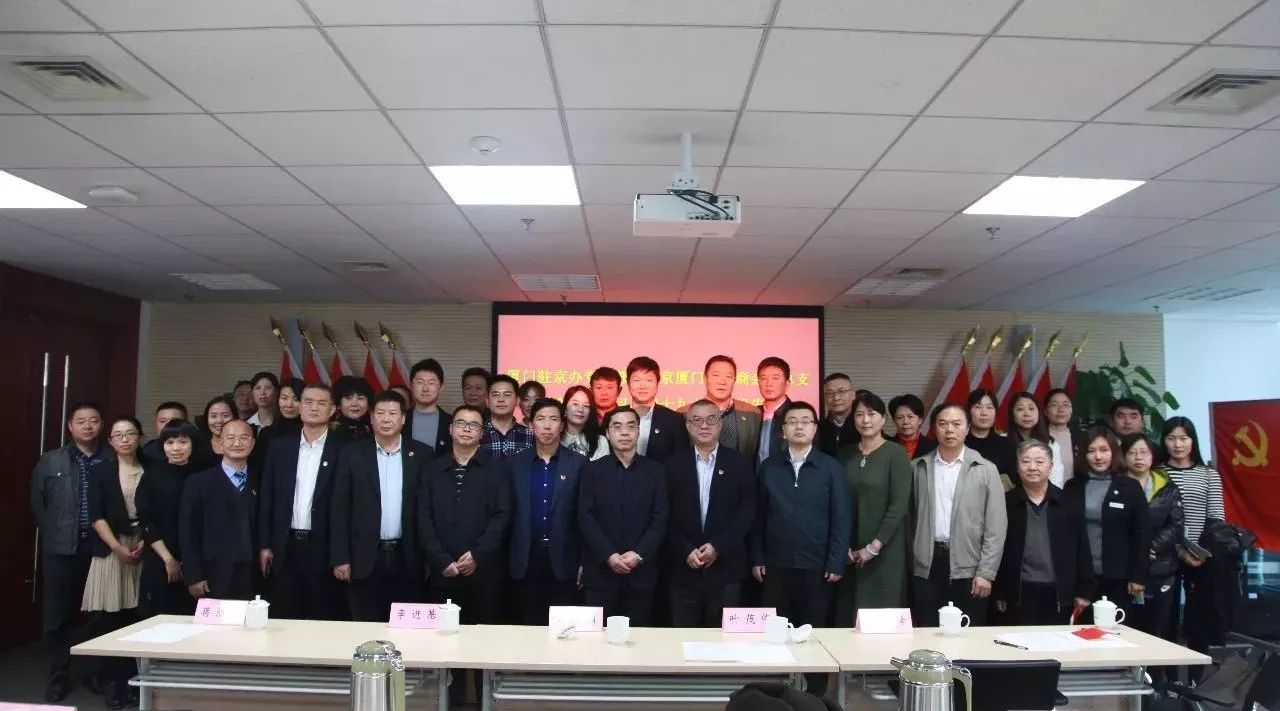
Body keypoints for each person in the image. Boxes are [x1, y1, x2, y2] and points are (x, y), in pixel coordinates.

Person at [752, 401, 848, 697]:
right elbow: (758, 517)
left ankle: (815, 694)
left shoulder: (830, 467)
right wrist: (758, 557)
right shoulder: (769, 467)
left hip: (817, 564)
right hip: (776, 563)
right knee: (777, 630)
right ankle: (777, 691)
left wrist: (836, 561)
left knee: (813, 629)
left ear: (815, 428)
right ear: (782, 430)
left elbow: (841, 517)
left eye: (806, 421)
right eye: (792, 421)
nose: (799, 426)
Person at [29, 401, 108, 702]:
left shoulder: (111, 458)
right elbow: (39, 504)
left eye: (93, 420)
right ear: (70, 426)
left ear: (101, 425)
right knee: (57, 614)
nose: (88, 426)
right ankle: (58, 677)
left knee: (99, 613)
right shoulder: (51, 461)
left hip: (100, 547)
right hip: (61, 547)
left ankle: (93, 673)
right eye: (81, 421)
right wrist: (56, 534)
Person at [330, 391, 431, 621]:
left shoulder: (422, 455)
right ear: (371, 417)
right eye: (381, 413)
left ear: (403, 419)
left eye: (393, 413)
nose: (386, 419)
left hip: (407, 556)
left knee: (406, 627)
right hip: (364, 557)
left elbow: (427, 510)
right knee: (365, 625)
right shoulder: (351, 454)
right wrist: (340, 557)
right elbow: (339, 508)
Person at [909, 403, 1006, 627]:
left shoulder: (985, 469)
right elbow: (910, 520)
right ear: (934, 428)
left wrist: (986, 572)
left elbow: (996, 526)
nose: (949, 430)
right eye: (943, 424)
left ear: (967, 428)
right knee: (928, 631)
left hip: (969, 566)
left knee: (968, 633)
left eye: (956, 424)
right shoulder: (918, 468)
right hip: (927, 565)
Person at [257, 383, 345, 620]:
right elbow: (267, 497)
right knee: (284, 615)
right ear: (300, 406)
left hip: (324, 548)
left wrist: (342, 555)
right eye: (308, 402)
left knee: (322, 616)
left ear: (332, 410)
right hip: (285, 545)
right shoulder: (279, 447)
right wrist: (265, 544)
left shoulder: (344, 449)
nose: (314, 408)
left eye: (321, 403)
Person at [665, 399, 755, 627]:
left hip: (727, 568)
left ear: (720, 424)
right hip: (683, 569)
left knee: (723, 639)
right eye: (697, 420)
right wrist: (685, 549)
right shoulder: (672, 465)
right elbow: (664, 514)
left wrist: (718, 546)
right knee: (683, 637)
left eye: (711, 419)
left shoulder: (740, 463)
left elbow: (747, 511)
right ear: (688, 426)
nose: (704, 425)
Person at [578, 407, 669, 624]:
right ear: (608, 434)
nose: (624, 432)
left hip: (641, 573)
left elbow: (660, 518)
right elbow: (585, 517)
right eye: (617, 427)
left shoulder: (656, 471)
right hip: (600, 571)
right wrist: (608, 554)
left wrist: (638, 554)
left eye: (630, 426)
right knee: (597, 637)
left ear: (638, 431)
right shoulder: (592, 470)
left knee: (638, 637)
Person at [420, 405, 510, 624]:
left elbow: (502, 516)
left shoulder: (497, 469)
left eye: (474, 425)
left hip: (484, 572)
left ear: (481, 433)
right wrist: (441, 560)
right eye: (461, 423)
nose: (467, 429)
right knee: (442, 636)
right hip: (442, 571)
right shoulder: (432, 469)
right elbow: (423, 517)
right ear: (451, 429)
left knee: (483, 635)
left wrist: (477, 555)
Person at [82, 416, 145, 709]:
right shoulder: (101, 471)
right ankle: (112, 684)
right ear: (110, 441)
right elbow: (96, 516)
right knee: (110, 621)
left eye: (130, 433)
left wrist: (146, 541)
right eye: (118, 435)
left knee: (137, 620)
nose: (125, 439)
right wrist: (117, 548)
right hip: (112, 547)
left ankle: (135, 683)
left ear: (140, 437)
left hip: (144, 545)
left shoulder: (150, 468)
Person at [993, 440, 1092, 626]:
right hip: (1019, 592)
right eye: (1026, 461)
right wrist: (1000, 590)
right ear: (1017, 466)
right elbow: (997, 549)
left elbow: (1083, 548)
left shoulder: (1067, 502)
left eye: (1039, 462)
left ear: (1051, 466)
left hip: (1059, 592)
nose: (1032, 467)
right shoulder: (1006, 503)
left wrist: (1084, 591)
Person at [507, 399, 588, 623]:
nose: (547, 425)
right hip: (525, 558)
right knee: (527, 625)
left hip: (565, 559)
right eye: (541, 419)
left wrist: (584, 560)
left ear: (562, 425)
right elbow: (506, 515)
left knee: (564, 629)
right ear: (531, 424)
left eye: (553, 419)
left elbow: (585, 516)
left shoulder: (579, 464)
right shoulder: (514, 465)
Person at [835, 392, 912, 626]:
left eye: (871, 414)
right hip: (849, 551)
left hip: (885, 549)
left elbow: (899, 505)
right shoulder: (845, 453)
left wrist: (874, 547)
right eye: (859, 414)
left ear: (883, 419)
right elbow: (837, 502)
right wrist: (842, 545)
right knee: (848, 617)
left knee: (882, 617)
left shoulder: (895, 453)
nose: (865, 420)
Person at [1065, 426, 1149, 624]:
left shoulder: (1130, 487)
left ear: (1114, 452)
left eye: (1104, 450)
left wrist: (1138, 575)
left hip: (1118, 576)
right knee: (1080, 632)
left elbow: (1142, 533)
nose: (1098, 456)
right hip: (1080, 576)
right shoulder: (1072, 487)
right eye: (1091, 450)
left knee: (1115, 633)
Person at [1159, 416, 1226, 663]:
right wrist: (1179, 550)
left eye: (1183, 438)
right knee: (1166, 617)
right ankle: (1168, 675)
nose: (1178, 444)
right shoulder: (1158, 473)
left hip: (1201, 556)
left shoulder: (1208, 474)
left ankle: (1196, 676)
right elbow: (1156, 519)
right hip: (1167, 553)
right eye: (1171, 438)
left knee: (1199, 618)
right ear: (1164, 441)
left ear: (1193, 441)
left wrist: (1202, 551)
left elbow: (1216, 517)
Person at [180, 419, 258, 601]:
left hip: (254, 572)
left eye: (244, 438)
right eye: (230, 438)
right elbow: (188, 532)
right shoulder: (198, 482)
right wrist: (194, 575)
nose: (237, 443)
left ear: (253, 443)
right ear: (220, 443)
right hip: (213, 572)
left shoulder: (261, 479)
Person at [136, 420, 202, 618]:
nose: (176, 448)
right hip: (160, 555)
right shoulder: (151, 476)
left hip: (196, 558)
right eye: (169, 442)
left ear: (193, 444)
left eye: (182, 442)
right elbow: (146, 521)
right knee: (159, 615)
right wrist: (168, 559)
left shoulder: (203, 475)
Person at [1124, 432, 1183, 641]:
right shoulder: (1116, 485)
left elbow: (1175, 525)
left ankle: (1157, 666)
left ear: (1152, 456)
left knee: (1158, 628)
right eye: (1132, 452)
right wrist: (1136, 550)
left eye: (1144, 452)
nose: (1138, 457)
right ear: (1124, 456)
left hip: (1160, 565)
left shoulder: (1167, 486)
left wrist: (1150, 547)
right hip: (1125, 566)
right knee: (1126, 628)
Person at [693, 355, 762, 459]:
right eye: (716, 375)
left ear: (734, 380)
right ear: (705, 378)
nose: (722, 382)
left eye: (728, 377)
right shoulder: (684, 414)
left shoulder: (753, 414)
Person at [626, 356, 688, 462]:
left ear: (657, 383)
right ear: (628, 383)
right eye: (636, 380)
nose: (642, 386)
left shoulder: (674, 420)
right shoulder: (613, 416)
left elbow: (680, 460)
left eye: (649, 380)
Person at [250, 378, 305, 482]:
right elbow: (259, 470)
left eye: (296, 399)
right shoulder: (266, 433)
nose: (289, 404)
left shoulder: (309, 434)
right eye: (284, 398)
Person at [965, 389, 1016, 488]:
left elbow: (1014, 481)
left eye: (989, 407)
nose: (984, 413)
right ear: (968, 411)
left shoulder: (1007, 445)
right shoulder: (959, 443)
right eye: (978, 407)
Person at [1008, 392, 1061, 487]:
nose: (1027, 413)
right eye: (1020, 409)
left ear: (1039, 413)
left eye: (1031, 408)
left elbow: (1056, 480)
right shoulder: (1003, 442)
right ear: (1012, 414)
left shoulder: (1051, 444)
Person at [479, 374, 534, 461]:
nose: (501, 399)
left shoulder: (530, 435)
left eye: (507, 394)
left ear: (517, 401)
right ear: (487, 401)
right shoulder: (477, 433)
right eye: (495, 395)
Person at [405, 358, 452, 453]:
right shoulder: (399, 419)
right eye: (420, 382)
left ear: (441, 387)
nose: (425, 389)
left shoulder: (451, 422)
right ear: (411, 385)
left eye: (431, 383)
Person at [756, 357, 794, 463]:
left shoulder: (797, 415)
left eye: (775, 378)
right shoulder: (753, 414)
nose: (769, 383)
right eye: (763, 378)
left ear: (787, 384)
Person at [1043, 389, 1081, 486]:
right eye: (1054, 405)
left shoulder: (1081, 437)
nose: (1061, 409)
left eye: (1066, 405)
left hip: (1075, 492)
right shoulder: (1039, 438)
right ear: (1045, 411)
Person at [562, 385, 609, 460]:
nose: (580, 410)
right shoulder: (553, 437)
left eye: (586, 406)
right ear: (565, 408)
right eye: (575, 404)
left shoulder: (600, 441)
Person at [888, 394, 936, 460]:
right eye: (900, 417)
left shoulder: (934, 448)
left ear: (920, 420)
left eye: (910, 417)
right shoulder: (885, 447)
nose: (905, 422)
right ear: (894, 421)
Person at [818, 373, 856, 457]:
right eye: (830, 393)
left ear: (853, 394)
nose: (836, 398)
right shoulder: (817, 430)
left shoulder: (863, 427)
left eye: (841, 391)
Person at [332, 375, 374, 442]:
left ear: (368, 404)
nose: (354, 404)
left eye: (360, 398)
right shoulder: (331, 430)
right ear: (339, 404)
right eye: (348, 398)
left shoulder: (375, 426)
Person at [200, 394, 237, 458]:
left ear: (235, 417)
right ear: (206, 418)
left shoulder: (245, 444)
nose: (219, 421)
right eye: (214, 416)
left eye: (225, 416)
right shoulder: (198, 445)